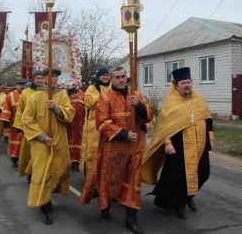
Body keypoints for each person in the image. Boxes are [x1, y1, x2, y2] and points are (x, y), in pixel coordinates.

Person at [79, 67, 153, 234]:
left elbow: (149, 115)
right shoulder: (105, 98)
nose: (121, 80)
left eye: (123, 76)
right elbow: (102, 123)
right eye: (117, 77)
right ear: (111, 80)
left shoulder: (135, 94)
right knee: (108, 180)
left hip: (135, 148)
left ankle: (131, 219)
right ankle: (105, 206)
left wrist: (139, 105)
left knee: (133, 182)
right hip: (113, 147)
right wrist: (125, 134)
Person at [142, 67, 215, 220]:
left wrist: (211, 138)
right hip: (179, 147)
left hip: (200, 145)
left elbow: (208, 120)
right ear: (176, 85)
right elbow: (163, 127)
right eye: (183, 83)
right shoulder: (170, 104)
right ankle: (180, 204)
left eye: (189, 82)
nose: (187, 85)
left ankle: (189, 197)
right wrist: (167, 143)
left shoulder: (199, 99)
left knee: (204, 173)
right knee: (180, 177)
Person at [22, 68, 75, 225]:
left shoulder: (62, 95)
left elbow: (70, 114)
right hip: (41, 143)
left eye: (56, 77)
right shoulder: (35, 96)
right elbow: (27, 119)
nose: (53, 80)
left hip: (59, 142)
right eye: (50, 77)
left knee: (59, 168)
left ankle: (48, 196)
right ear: (44, 79)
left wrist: (57, 108)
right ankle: (46, 208)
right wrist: (42, 137)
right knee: (42, 172)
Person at [13, 70, 45, 183]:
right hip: (29, 128)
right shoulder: (26, 93)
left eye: (42, 78)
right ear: (33, 80)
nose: (40, 80)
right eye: (38, 78)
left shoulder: (48, 92)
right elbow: (20, 111)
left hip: (44, 128)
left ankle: (41, 174)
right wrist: (19, 128)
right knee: (30, 153)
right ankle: (30, 173)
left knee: (42, 153)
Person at [79, 67, 111, 177]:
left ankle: (104, 177)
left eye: (107, 75)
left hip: (109, 124)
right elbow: (88, 102)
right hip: (93, 126)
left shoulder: (112, 88)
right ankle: (90, 176)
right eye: (103, 75)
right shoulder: (92, 88)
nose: (105, 77)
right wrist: (101, 94)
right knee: (92, 152)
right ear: (99, 76)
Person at [0, 79, 26, 167]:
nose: (22, 86)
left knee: (25, 144)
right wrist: (6, 125)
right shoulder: (10, 96)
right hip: (15, 124)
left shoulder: (28, 94)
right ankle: (14, 159)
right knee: (16, 143)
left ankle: (24, 159)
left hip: (27, 124)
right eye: (20, 85)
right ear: (16, 85)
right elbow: (6, 110)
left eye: (23, 85)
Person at [65, 79, 85, 171]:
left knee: (79, 141)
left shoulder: (83, 94)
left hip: (80, 122)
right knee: (68, 140)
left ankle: (77, 161)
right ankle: (68, 160)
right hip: (68, 122)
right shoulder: (65, 94)